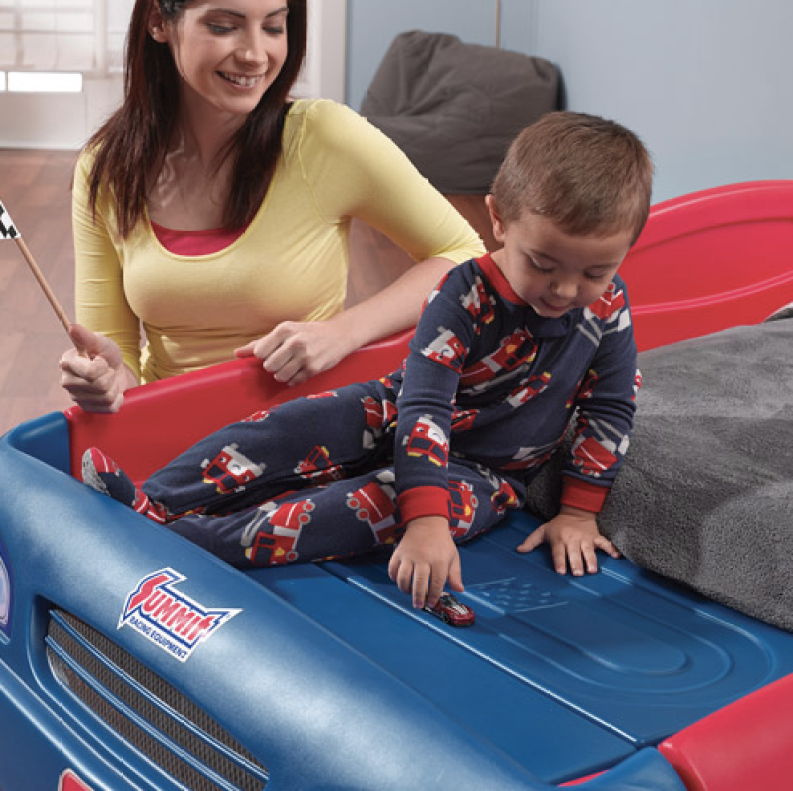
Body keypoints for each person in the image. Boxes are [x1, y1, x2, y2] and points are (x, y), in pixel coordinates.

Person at [81, 111, 654, 610]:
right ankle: (151, 498)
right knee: (289, 425)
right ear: (498, 221)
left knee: (367, 505)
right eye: (544, 263)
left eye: (593, 272)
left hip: (487, 472)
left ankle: (191, 541)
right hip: (396, 409)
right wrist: (428, 516)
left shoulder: (608, 308)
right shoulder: (463, 293)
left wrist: (578, 512)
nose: (564, 289)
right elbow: (425, 402)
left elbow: (609, 409)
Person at [59, 0, 485, 413]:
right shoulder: (108, 168)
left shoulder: (323, 138)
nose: (255, 54)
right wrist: (110, 381)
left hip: (305, 433)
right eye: (224, 26)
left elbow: (464, 254)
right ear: (158, 21)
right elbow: (117, 359)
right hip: (173, 430)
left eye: (274, 27)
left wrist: (344, 332)